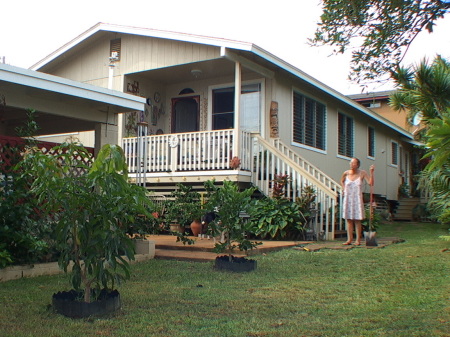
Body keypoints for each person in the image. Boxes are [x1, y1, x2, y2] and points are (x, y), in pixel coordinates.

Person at [340, 158, 374, 245]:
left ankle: (358, 240)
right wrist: (344, 189)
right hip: (348, 198)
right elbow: (342, 181)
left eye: (353, 163)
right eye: (350, 162)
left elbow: (370, 183)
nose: (351, 164)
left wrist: (372, 172)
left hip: (357, 199)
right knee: (349, 219)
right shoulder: (346, 173)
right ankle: (349, 239)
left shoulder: (362, 173)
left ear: (357, 165)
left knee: (357, 220)